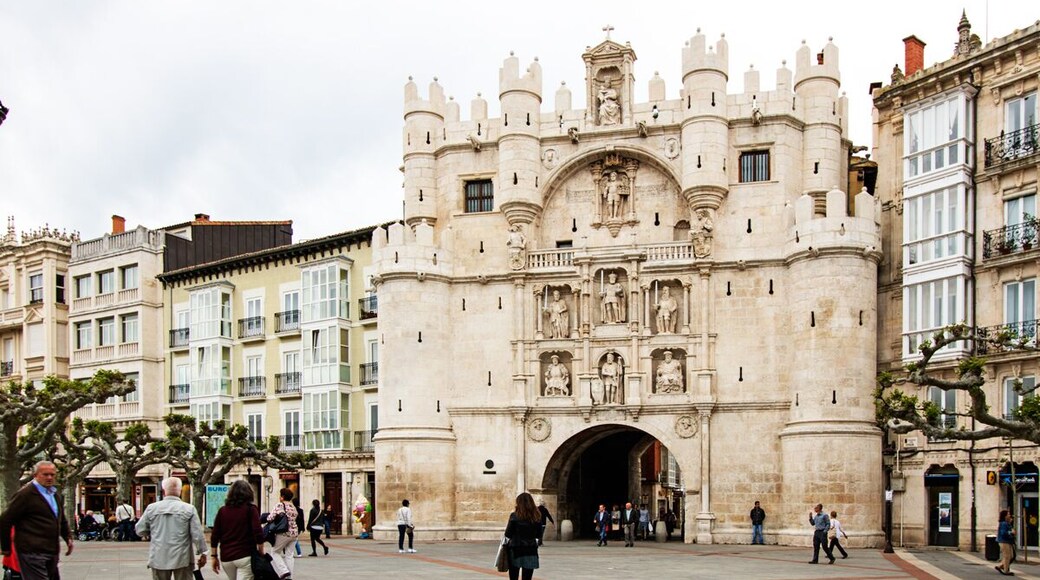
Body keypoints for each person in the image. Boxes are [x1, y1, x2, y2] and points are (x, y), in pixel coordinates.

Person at [0, 460, 73, 580]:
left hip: (51, 550)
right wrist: (6, 547)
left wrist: (68, 537)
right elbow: (5, 519)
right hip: (31, 552)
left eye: (52, 474)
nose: (49, 477)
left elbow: (60, 519)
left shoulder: (53, 494)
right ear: (35, 475)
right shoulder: (25, 494)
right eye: (45, 474)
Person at [136, 477, 208, 580]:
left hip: (158, 557)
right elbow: (197, 534)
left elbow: (140, 530)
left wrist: (152, 531)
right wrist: (203, 553)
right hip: (183, 558)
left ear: (164, 491)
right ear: (180, 491)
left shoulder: (152, 508)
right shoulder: (189, 509)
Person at [211, 479, 265, 580]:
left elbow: (215, 536)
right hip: (245, 555)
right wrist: (261, 551)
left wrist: (214, 556)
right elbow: (258, 532)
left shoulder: (222, 511)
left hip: (226, 557)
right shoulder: (251, 509)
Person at [504, 493, 541, 580]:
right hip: (531, 549)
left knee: (513, 576)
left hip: (515, 549)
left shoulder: (514, 515)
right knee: (527, 577)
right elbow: (539, 534)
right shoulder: (537, 516)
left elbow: (508, 534)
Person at [266, 488, 299, 580]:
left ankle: (284, 571)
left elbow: (270, 518)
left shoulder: (280, 505)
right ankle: (290, 576)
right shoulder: (293, 507)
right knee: (289, 555)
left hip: (284, 532)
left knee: (275, 552)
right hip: (294, 533)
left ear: (282, 497)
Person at [997, 510, 1015, 576]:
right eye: (1008, 514)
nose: (1009, 515)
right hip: (1004, 541)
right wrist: (1011, 532)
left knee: (1011, 556)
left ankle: (1000, 566)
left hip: (1007, 541)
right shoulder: (1004, 523)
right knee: (1007, 556)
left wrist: (1010, 524)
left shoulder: (1007, 523)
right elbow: (1003, 533)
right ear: (1005, 516)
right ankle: (1006, 570)